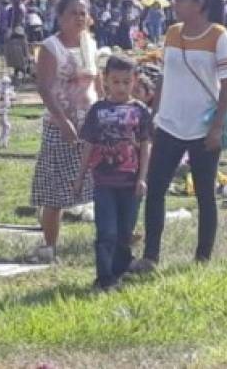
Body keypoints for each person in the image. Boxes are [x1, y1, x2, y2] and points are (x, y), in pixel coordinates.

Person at [130, 0, 227, 274]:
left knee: (205, 194)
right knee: (155, 190)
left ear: (200, 4)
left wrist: (217, 126)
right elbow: (164, 76)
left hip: (204, 126)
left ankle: (202, 258)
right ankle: (151, 256)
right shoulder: (172, 33)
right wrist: (154, 114)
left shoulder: (219, 36)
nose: (174, 4)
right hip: (169, 124)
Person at [29, 0, 100, 264]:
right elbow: (45, 88)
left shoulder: (89, 44)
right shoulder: (50, 47)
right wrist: (63, 121)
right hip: (61, 124)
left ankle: (112, 236)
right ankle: (49, 245)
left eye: (83, 13)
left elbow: (97, 81)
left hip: (90, 122)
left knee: (102, 182)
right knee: (56, 189)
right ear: (60, 17)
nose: (80, 18)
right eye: (74, 13)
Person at [72, 55, 152, 291]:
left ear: (134, 81)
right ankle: (104, 277)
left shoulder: (140, 111)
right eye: (115, 82)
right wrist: (79, 177)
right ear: (105, 80)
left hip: (131, 182)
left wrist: (143, 178)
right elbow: (89, 145)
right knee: (106, 231)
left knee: (125, 231)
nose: (121, 87)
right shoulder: (98, 111)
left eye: (126, 82)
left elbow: (146, 144)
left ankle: (119, 270)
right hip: (104, 182)